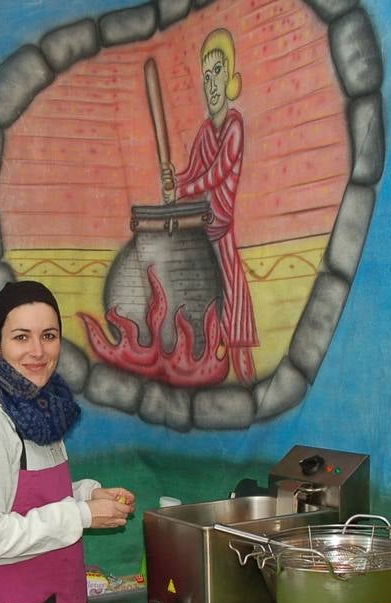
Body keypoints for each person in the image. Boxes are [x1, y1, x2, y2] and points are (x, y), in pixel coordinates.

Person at [0, 280, 136, 603]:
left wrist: (89, 496)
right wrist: (80, 514)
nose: (37, 350)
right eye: (21, 337)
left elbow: (28, 495)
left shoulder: (44, 410)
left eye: (48, 335)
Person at [162, 28, 259, 383]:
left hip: (222, 232)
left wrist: (185, 184)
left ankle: (243, 372)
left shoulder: (234, 126)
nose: (211, 83)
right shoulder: (205, 130)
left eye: (217, 72)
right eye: (206, 76)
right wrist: (176, 181)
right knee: (209, 301)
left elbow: (215, 174)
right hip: (202, 231)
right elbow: (193, 171)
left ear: (231, 76)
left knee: (233, 304)